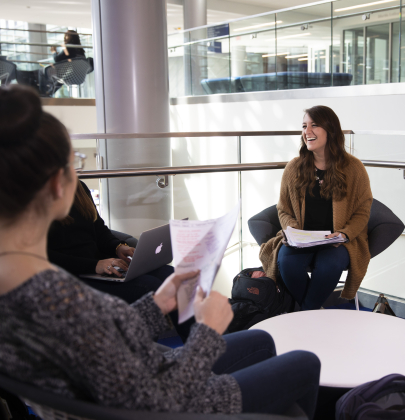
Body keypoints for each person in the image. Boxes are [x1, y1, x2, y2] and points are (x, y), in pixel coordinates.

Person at [0, 85, 321, 418]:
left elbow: (97, 345)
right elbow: (160, 405)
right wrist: (207, 333)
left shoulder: (24, 291)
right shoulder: (64, 301)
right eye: (73, 163)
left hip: (144, 378)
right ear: (56, 184)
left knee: (261, 341)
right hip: (177, 398)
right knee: (304, 363)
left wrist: (156, 306)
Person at [47, 180, 193, 341]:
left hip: (98, 269)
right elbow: (44, 256)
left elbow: (99, 230)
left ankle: (195, 343)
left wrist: (118, 247)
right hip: (69, 275)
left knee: (172, 275)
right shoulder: (31, 196)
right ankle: (146, 357)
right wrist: (94, 265)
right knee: (148, 287)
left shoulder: (78, 186)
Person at [259, 105, 373, 310]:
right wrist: (292, 230)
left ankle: (305, 312)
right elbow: (283, 209)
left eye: (315, 125)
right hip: (302, 239)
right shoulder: (294, 167)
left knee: (331, 265)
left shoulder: (354, 168)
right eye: (304, 126)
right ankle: (313, 312)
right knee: (287, 263)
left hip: (336, 241)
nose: (307, 132)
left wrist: (344, 234)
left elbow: (363, 210)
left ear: (331, 130)